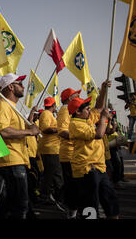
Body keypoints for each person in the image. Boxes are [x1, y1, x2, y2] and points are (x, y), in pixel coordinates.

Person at [0, 73, 40, 219]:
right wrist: (29, 132)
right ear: (10, 86)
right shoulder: (3, 105)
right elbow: (4, 131)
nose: (23, 86)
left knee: (9, 203)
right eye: (20, 83)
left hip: (17, 159)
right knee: (20, 205)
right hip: (12, 160)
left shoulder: (12, 107)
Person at [68, 80, 119, 219]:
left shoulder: (86, 119)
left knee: (110, 200)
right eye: (86, 108)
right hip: (86, 169)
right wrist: (103, 119)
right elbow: (98, 134)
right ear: (77, 112)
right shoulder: (75, 124)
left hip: (99, 167)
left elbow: (99, 107)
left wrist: (103, 89)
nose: (89, 110)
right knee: (90, 207)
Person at [57, 88, 81, 218]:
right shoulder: (65, 110)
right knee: (72, 185)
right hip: (69, 154)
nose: (78, 96)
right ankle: (68, 207)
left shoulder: (71, 110)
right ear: (69, 98)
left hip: (76, 153)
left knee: (75, 185)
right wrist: (80, 135)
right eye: (76, 95)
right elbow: (62, 131)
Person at [38, 97, 64, 211]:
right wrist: (60, 129)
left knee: (51, 174)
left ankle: (47, 196)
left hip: (53, 149)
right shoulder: (46, 114)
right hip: (50, 149)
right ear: (53, 105)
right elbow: (45, 129)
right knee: (54, 174)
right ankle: (50, 197)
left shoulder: (48, 114)